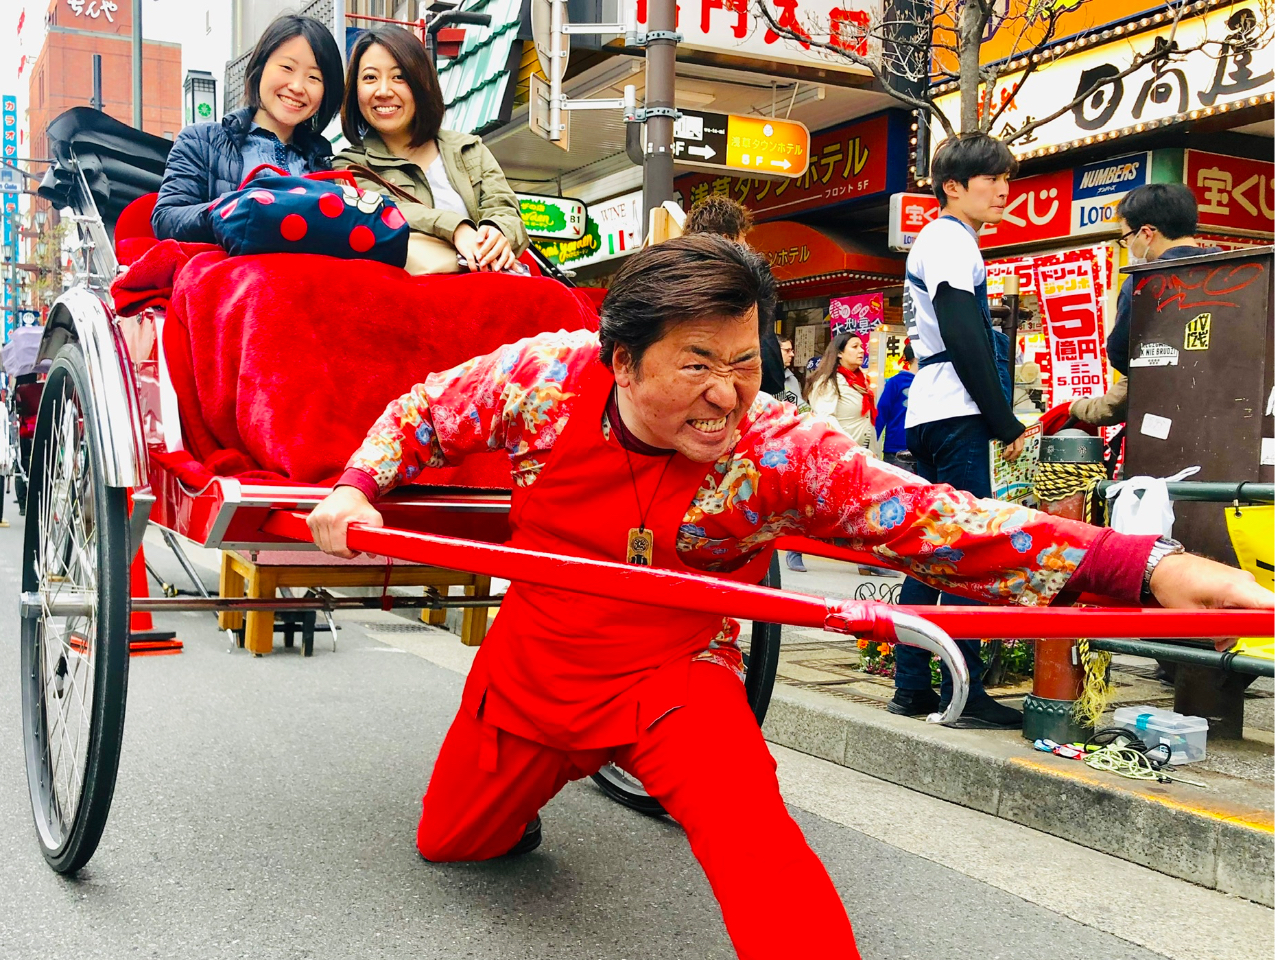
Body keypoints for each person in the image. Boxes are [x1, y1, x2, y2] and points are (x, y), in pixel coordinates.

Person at [307, 235, 1268, 960]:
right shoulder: (541, 381)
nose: (727, 395)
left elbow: (936, 518)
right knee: (455, 845)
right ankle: (525, 797)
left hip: (675, 679)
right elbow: (421, 412)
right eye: (695, 364)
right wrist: (358, 483)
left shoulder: (783, 448)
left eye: (744, 362)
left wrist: (1139, 567)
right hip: (534, 668)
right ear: (620, 358)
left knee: (758, 845)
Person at [891, 134, 1039, 729]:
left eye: (1006, 177)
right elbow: (965, 334)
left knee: (927, 554)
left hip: (929, 408)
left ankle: (911, 685)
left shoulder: (936, 240)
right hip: (955, 411)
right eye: (990, 178)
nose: (1003, 188)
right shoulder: (952, 241)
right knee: (968, 550)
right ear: (953, 185)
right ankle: (966, 687)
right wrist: (1004, 421)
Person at [334, 27, 527, 272]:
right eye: (370, 78)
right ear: (355, 91)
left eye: (399, 77)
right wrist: (455, 228)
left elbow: (505, 208)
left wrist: (498, 232)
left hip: (482, 298)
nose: (383, 91)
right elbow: (384, 210)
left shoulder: (468, 150)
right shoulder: (347, 167)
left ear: (421, 83)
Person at [152, 15, 344, 242]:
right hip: (229, 276)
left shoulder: (327, 163)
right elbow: (166, 218)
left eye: (314, 77)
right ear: (260, 66)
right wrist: (234, 210)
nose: (297, 86)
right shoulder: (200, 141)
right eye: (287, 67)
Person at [1106, 183, 1220, 377]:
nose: (1129, 246)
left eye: (1126, 238)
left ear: (1146, 234)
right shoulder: (1236, 270)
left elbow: (1119, 352)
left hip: (1163, 394)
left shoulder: (1141, 284)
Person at [684, 194, 786, 395]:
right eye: (743, 240)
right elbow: (768, 363)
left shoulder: (676, 285)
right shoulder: (741, 286)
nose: (748, 248)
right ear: (727, 239)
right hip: (746, 396)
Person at [805, 332, 876, 449]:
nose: (861, 351)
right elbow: (825, 417)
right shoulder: (827, 381)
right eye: (855, 347)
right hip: (840, 451)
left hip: (863, 451)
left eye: (862, 347)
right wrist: (848, 444)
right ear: (839, 353)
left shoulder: (862, 380)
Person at [775, 336, 808, 573]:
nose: (792, 354)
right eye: (787, 350)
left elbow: (802, 407)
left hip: (794, 447)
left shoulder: (792, 380)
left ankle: (794, 551)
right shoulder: (766, 378)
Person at [877, 341, 917, 472]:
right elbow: (881, 414)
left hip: (925, 453)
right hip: (897, 451)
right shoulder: (896, 382)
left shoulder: (931, 381)